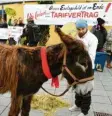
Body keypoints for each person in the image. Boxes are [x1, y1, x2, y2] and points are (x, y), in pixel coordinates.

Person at [69, 19, 98, 116]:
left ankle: (84, 111)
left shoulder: (92, 38)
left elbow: (91, 56)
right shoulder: (76, 36)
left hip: (87, 68)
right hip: (77, 67)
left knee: (86, 90)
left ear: (86, 27)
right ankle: (77, 104)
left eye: (83, 28)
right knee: (77, 86)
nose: (80, 31)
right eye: (78, 29)